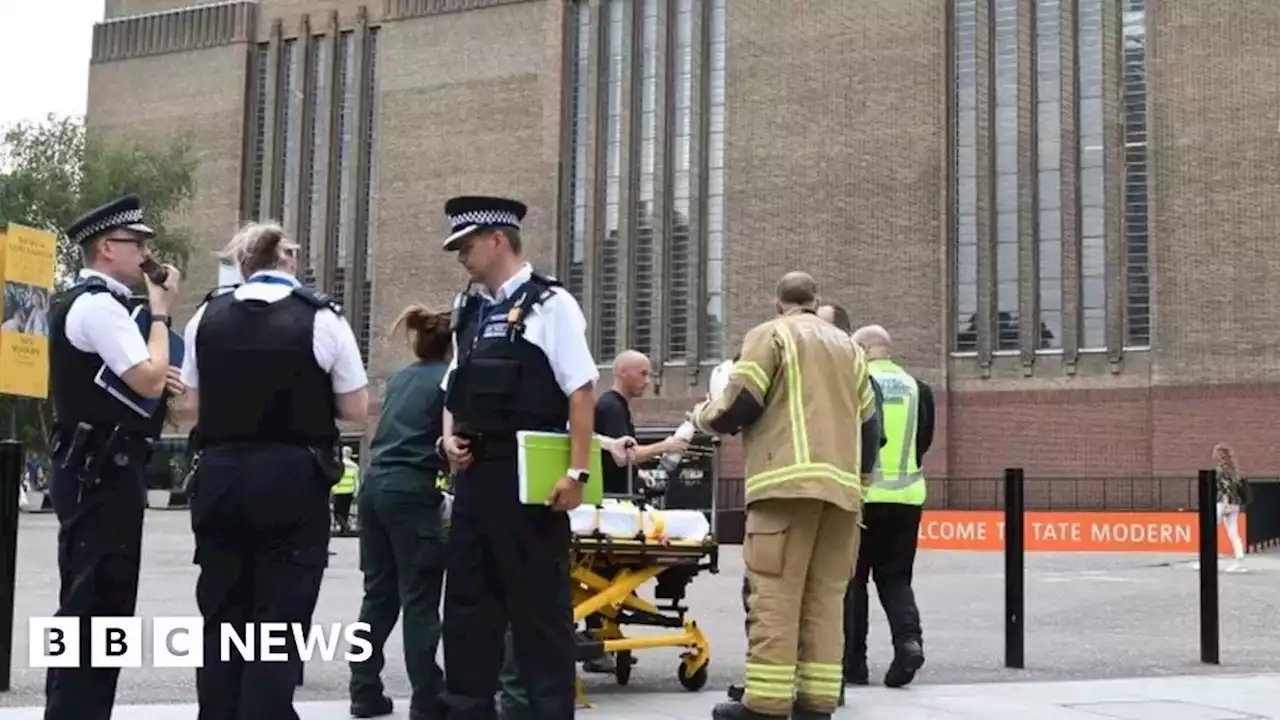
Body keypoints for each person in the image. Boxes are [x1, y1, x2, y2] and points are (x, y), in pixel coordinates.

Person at [180, 221, 369, 720]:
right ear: (289, 260)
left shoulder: (206, 316)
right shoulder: (322, 319)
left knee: (222, 614)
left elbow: (190, 413)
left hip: (218, 476)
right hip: (291, 475)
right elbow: (355, 409)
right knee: (279, 619)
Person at [437, 196, 598, 720]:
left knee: (539, 613)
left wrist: (577, 473)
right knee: (465, 607)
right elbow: (452, 389)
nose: (460, 255)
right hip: (475, 479)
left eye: (467, 245)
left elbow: (581, 391)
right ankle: (466, 709)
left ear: (498, 240)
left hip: (529, 483)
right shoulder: (472, 311)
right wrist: (447, 439)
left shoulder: (550, 305)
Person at [692, 272, 880, 720]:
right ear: (817, 301)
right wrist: (861, 485)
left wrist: (702, 419)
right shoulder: (850, 349)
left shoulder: (770, 335)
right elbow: (872, 427)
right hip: (842, 495)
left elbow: (742, 402)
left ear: (779, 303)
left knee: (775, 597)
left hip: (785, 487)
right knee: (825, 601)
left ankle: (766, 706)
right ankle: (817, 703)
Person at [44, 194, 183, 719]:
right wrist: (162, 312)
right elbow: (147, 377)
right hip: (99, 469)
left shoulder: (95, 303)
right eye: (138, 243)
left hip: (96, 468)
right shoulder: (98, 305)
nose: (147, 253)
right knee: (96, 606)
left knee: (93, 603)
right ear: (107, 247)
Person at [349, 305, 453, 719]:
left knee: (377, 595)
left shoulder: (402, 378)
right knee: (420, 599)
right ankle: (428, 696)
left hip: (374, 486)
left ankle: (364, 689)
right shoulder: (450, 380)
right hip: (411, 490)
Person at [844, 324, 934, 689]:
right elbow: (923, 440)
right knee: (897, 579)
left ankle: (854, 664)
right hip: (908, 497)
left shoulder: (858, 384)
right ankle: (908, 643)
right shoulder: (918, 388)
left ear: (863, 350)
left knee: (853, 581)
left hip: (863, 497)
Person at [1191, 444, 1250, 574]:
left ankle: (1205, 561)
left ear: (1219, 455)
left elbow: (1225, 488)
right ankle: (1240, 561)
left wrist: (1225, 504)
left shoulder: (1222, 470)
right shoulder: (1235, 470)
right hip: (1235, 504)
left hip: (1223, 503)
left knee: (1208, 531)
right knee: (1233, 533)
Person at [333, 446, 359, 533]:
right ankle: (343, 529)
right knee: (345, 512)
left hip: (338, 490)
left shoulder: (338, 464)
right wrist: (356, 492)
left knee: (336, 512)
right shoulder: (354, 466)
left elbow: (335, 477)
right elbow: (356, 480)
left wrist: (332, 488)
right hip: (349, 491)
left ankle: (345, 526)